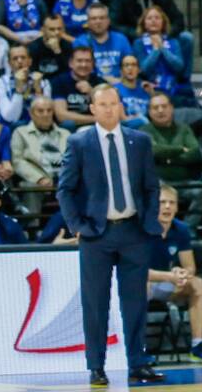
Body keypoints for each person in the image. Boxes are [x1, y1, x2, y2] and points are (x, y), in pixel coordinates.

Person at [57, 85, 165, 386]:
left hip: (134, 231)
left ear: (120, 106)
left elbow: (151, 186)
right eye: (102, 104)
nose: (108, 109)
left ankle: (138, 363)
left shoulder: (139, 140)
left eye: (113, 103)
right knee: (95, 303)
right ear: (92, 108)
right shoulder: (79, 142)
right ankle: (96, 366)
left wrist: (149, 220)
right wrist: (77, 225)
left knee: (135, 302)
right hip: (96, 234)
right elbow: (65, 189)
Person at [148, 184, 202, 363]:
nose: (167, 207)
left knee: (197, 283)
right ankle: (138, 349)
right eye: (162, 202)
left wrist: (181, 273)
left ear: (177, 207)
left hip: (168, 284)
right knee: (140, 284)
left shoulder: (181, 229)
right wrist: (169, 276)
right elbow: (137, 272)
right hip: (142, 285)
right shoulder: (141, 229)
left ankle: (197, 346)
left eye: (172, 203)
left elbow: (190, 267)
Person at [141, 92, 202, 225]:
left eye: (164, 106)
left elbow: (195, 153)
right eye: (155, 108)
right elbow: (154, 151)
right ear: (149, 112)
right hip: (159, 183)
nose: (160, 110)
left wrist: (168, 159)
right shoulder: (144, 131)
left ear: (171, 108)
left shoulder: (184, 128)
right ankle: (159, 228)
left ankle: (187, 229)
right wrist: (180, 149)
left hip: (185, 182)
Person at [10, 95, 66, 213]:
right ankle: (32, 224)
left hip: (64, 180)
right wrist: (39, 178)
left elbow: (75, 160)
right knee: (30, 187)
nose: (46, 114)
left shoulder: (65, 134)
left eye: (49, 110)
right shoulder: (21, 132)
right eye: (40, 111)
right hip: (38, 180)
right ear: (31, 113)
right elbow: (17, 161)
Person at [134, 5, 187, 99]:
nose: (153, 21)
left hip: (173, 87)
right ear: (144, 23)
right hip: (148, 88)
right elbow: (144, 69)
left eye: (157, 18)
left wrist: (162, 48)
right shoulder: (139, 43)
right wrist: (156, 50)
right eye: (149, 18)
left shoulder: (173, 42)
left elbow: (179, 67)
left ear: (163, 22)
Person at [52, 46, 109, 130]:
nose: (83, 65)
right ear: (71, 63)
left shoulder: (100, 82)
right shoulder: (59, 81)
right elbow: (61, 115)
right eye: (79, 61)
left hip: (96, 128)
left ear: (93, 64)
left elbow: (107, 110)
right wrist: (95, 119)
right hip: (73, 127)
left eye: (87, 61)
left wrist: (91, 92)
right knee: (68, 123)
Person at [75, 3, 133, 81]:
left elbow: (131, 65)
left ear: (108, 21)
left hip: (120, 83)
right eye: (94, 18)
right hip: (92, 84)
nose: (98, 21)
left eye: (102, 18)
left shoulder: (121, 39)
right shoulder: (80, 42)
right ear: (88, 22)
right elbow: (79, 71)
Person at [115, 54, 152, 126]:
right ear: (121, 71)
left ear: (139, 69)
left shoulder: (146, 89)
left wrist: (152, 93)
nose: (130, 68)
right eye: (126, 65)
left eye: (133, 65)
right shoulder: (115, 90)